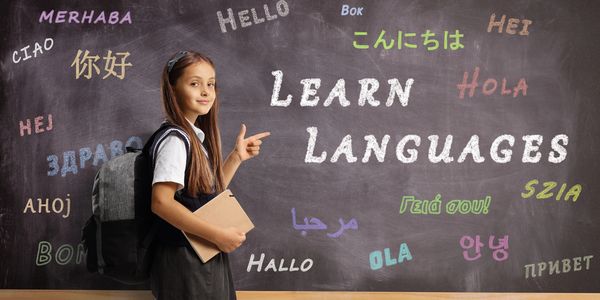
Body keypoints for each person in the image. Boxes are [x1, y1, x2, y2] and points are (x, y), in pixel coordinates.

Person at [149, 50, 270, 299]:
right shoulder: (175, 139)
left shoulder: (192, 138)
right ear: (173, 90)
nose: (206, 91)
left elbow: (204, 195)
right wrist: (217, 235)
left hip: (200, 253)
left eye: (211, 84)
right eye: (195, 83)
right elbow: (161, 202)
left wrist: (236, 157)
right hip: (187, 257)